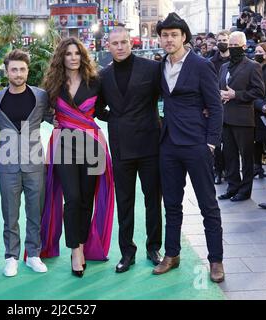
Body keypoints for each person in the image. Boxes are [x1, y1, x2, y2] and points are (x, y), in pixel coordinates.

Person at [152, 13, 225, 283]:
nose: (169, 39)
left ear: (184, 37)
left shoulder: (201, 65)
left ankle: (216, 260)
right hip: (168, 144)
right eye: (164, 35)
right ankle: (172, 254)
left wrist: (210, 143)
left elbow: (215, 107)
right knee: (171, 203)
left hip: (196, 144)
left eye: (174, 34)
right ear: (159, 38)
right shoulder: (160, 67)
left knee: (208, 205)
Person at [40, 37, 115, 278]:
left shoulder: (95, 82)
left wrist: (128, 116)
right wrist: (50, 119)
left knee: (85, 199)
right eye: (68, 53)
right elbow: (43, 111)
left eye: (77, 53)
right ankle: (75, 251)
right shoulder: (53, 84)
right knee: (72, 198)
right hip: (63, 145)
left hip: (92, 145)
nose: (73, 57)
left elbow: (102, 111)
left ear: (83, 56)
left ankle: (82, 245)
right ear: (61, 57)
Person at [97, 27, 162, 273]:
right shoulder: (103, 76)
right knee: (124, 201)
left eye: (124, 42)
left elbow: (165, 97)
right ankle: (127, 252)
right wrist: (114, 120)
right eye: (115, 43)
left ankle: (153, 247)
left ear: (131, 43)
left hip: (149, 145)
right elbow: (96, 108)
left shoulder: (151, 68)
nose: (120, 47)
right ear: (108, 46)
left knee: (153, 199)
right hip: (121, 146)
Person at [0, 49, 53, 277]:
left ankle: (33, 254)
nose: (18, 73)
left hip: (35, 161)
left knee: (35, 210)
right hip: (6, 164)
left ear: (28, 71)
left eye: (22, 69)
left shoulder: (41, 96)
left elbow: (53, 117)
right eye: (14, 69)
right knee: (10, 212)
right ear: (6, 71)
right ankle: (11, 257)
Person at [217, 31, 264, 202]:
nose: (232, 48)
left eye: (235, 45)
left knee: (246, 157)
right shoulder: (223, 67)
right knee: (229, 155)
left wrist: (236, 94)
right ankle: (232, 187)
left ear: (244, 47)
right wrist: (220, 95)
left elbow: (259, 91)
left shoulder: (253, 66)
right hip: (226, 118)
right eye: (230, 45)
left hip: (244, 119)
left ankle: (245, 191)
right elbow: (219, 87)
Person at [210, 30, 231, 185]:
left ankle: (229, 171)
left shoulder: (234, 60)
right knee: (217, 143)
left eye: (225, 39)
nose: (222, 42)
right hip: (215, 105)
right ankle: (218, 170)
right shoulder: (210, 61)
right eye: (220, 40)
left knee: (229, 144)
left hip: (232, 106)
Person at [253, 43, 266, 180]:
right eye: (256, 51)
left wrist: (265, 105)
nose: (257, 54)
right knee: (257, 141)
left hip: (265, 109)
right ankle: (257, 166)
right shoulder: (256, 67)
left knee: (265, 140)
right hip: (257, 107)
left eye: (261, 52)